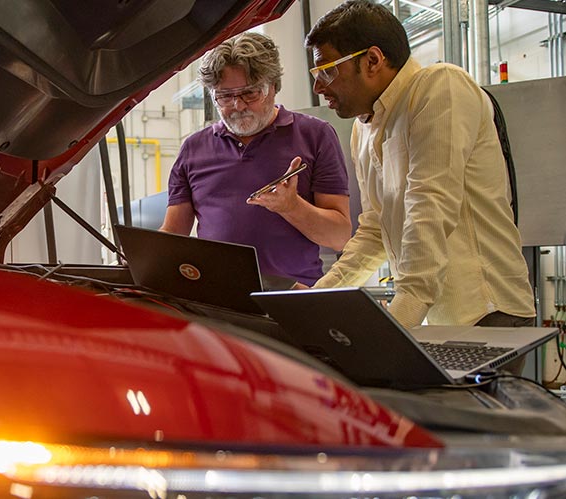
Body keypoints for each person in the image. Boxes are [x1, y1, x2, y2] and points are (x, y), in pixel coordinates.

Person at [305, 0, 535, 329]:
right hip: (436, 321)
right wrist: (317, 297)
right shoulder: (364, 128)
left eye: (326, 70)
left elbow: (430, 203)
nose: (318, 87)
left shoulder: (439, 87)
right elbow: (374, 231)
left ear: (372, 60)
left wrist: (400, 322)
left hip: (489, 314)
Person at [159, 32, 352, 286]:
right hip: (219, 298)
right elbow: (174, 235)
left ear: (273, 87)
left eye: (250, 93)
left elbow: (339, 237)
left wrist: (291, 207)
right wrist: (141, 254)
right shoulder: (193, 148)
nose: (238, 106)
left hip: (293, 300)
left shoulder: (315, 135)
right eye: (225, 96)